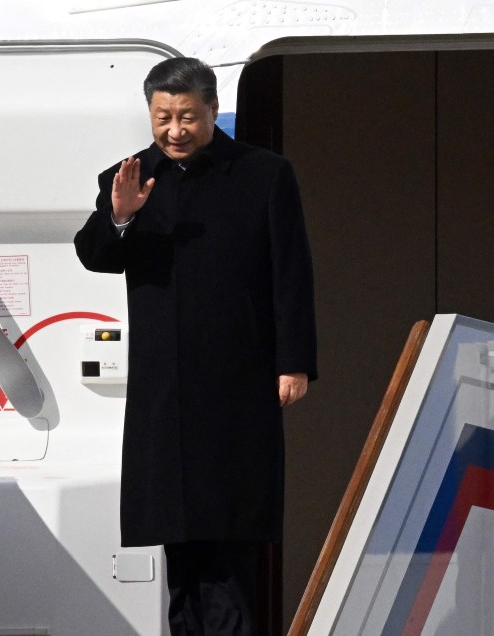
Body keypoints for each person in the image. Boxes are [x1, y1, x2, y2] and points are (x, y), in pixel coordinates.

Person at [74, 57, 317, 635]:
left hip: (240, 380)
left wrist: (295, 362)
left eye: (188, 117)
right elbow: (94, 254)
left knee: (231, 541)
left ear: (212, 110)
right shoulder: (130, 176)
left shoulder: (263, 173)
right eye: (163, 117)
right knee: (179, 544)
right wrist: (120, 217)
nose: (175, 130)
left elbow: (292, 271)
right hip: (167, 389)